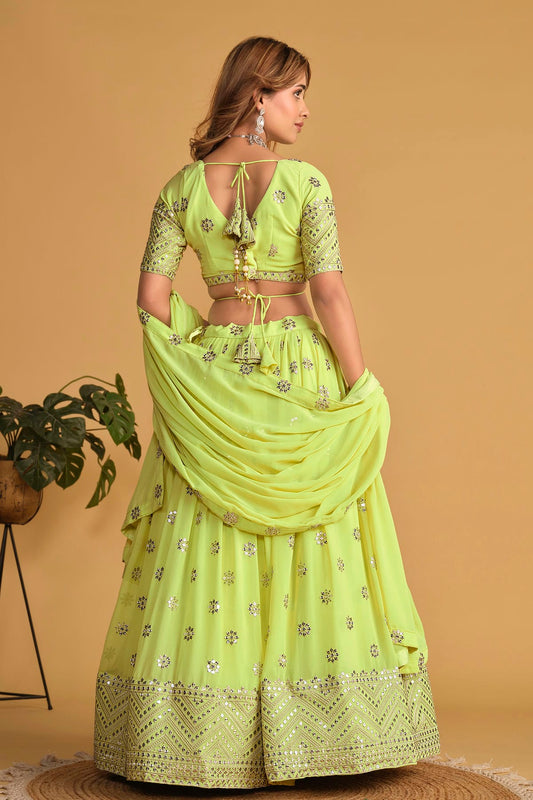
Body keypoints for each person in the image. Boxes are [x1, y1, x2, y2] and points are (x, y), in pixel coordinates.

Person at [93, 36, 440, 789]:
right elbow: (329, 291)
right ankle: (318, 738)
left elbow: (152, 298)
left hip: (216, 366)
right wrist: (360, 386)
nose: (305, 110)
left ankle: (196, 745)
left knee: (208, 540)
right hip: (300, 374)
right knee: (314, 536)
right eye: (295, 93)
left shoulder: (179, 189)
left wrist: (199, 350)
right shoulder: (306, 182)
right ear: (258, 95)